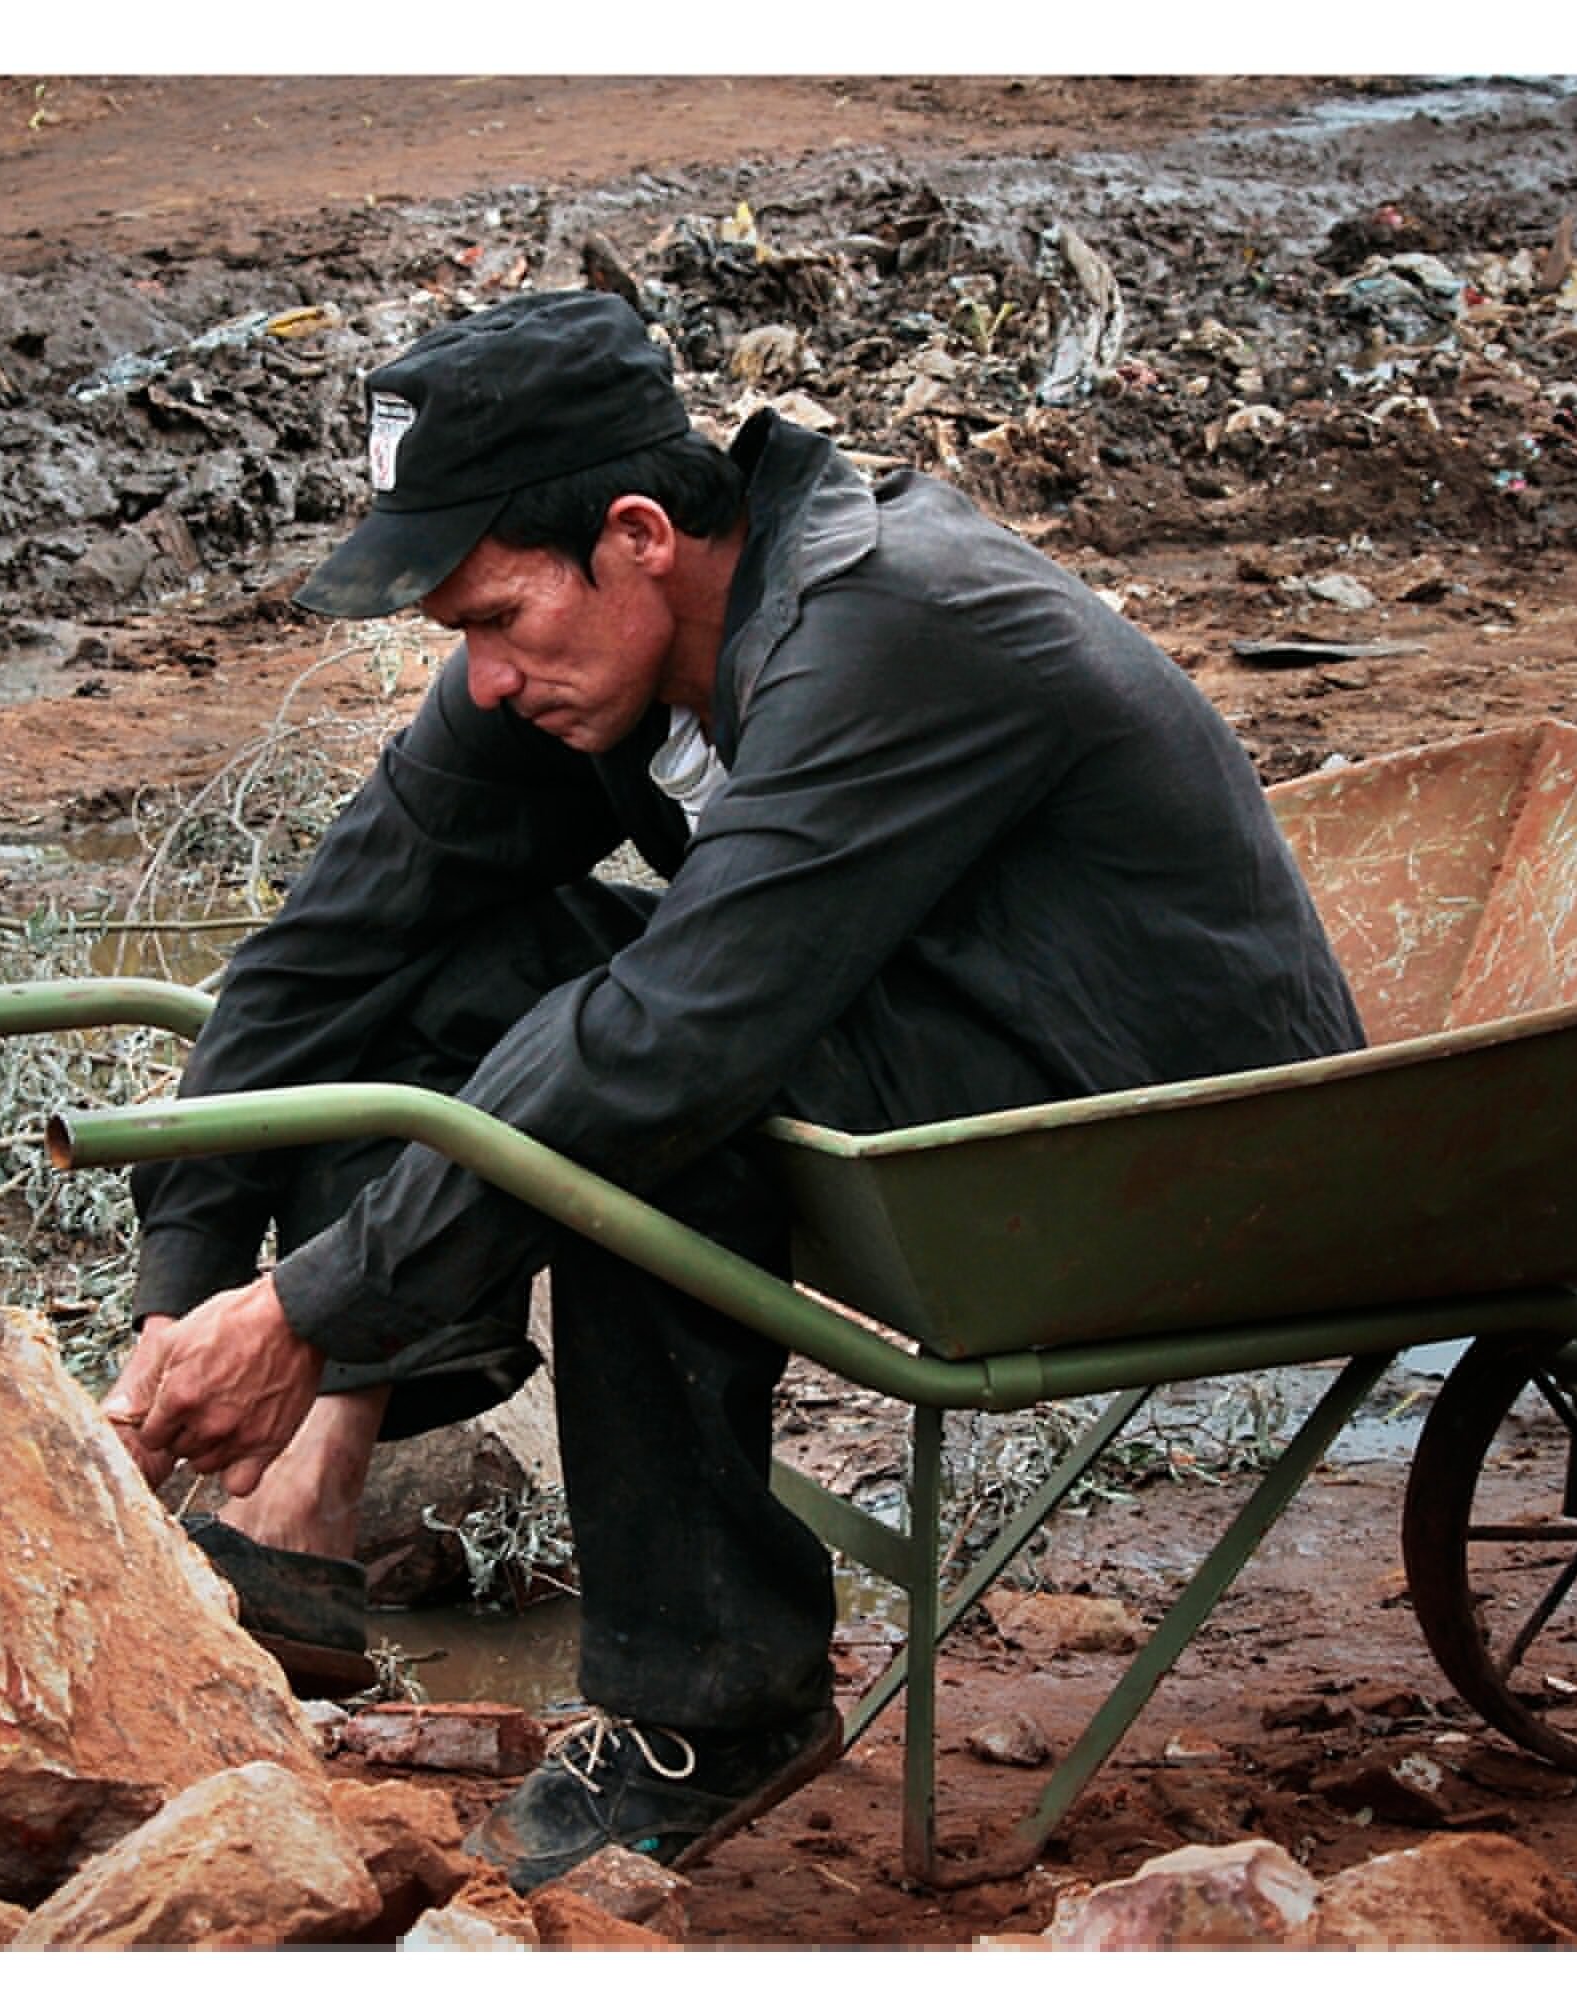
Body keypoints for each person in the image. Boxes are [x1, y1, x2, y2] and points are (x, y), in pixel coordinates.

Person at [101, 289, 1364, 1890]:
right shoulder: (594, 654)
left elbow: (669, 1040)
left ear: (635, 534)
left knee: (634, 1094)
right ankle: (315, 1492)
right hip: (931, 1026)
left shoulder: (886, 626)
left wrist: (307, 1303)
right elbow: (331, 942)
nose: (484, 680)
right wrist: (187, 1284)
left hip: (1150, 1109)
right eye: (460, 638)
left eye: (496, 619)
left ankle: (715, 1701)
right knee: (454, 964)